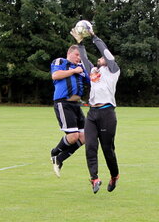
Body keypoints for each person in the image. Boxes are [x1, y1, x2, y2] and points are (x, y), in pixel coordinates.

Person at [71, 26, 120, 194]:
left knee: (107, 150)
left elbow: (104, 50)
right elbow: (84, 59)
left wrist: (93, 35)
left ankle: (114, 176)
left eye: (102, 57)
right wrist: (80, 43)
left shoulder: (113, 70)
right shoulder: (93, 71)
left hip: (107, 113)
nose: (100, 58)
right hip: (92, 114)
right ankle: (94, 178)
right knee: (90, 146)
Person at [50, 45, 90, 177]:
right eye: (77, 55)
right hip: (63, 103)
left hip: (76, 105)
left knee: (84, 137)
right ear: (69, 53)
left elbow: (91, 80)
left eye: (81, 56)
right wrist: (74, 71)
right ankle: (55, 153)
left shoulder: (81, 68)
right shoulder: (60, 61)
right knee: (73, 136)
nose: (79, 58)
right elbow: (55, 75)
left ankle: (59, 160)